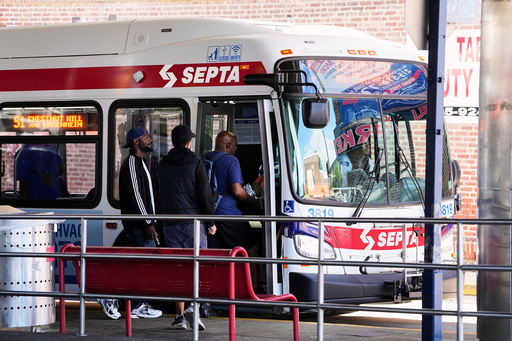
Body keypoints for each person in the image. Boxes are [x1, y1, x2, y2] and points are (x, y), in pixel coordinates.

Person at [97, 127, 162, 320]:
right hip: (139, 227)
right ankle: (134, 305)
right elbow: (136, 197)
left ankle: (136, 303)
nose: (149, 140)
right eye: (145, 137)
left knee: (142, 267)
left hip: (143, 225)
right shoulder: (132, 164)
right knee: (139, 267)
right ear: (135, 142)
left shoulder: (140, 163)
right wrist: (148, 222)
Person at [157, 125, 217, 331]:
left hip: (170, 224)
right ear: (188, 142)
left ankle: (180, 317)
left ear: (173, 142)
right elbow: (205, 195)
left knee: (177, 270)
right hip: (193, 224)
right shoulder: (195, 161)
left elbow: (158, 194)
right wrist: (211, 222)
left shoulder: (162, 164)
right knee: (197, 267)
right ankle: (194, 307)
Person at [205, 131, 259, 291]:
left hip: (208, 216)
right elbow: (238, 191)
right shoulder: (231, 160)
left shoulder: (203, 158)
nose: (236, 150)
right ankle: (254, 292)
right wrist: (252, 199)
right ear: (229, 146)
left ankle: (217, 291)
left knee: (218, 255)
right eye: (235, 147)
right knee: (250, 250)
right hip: (229, 214)